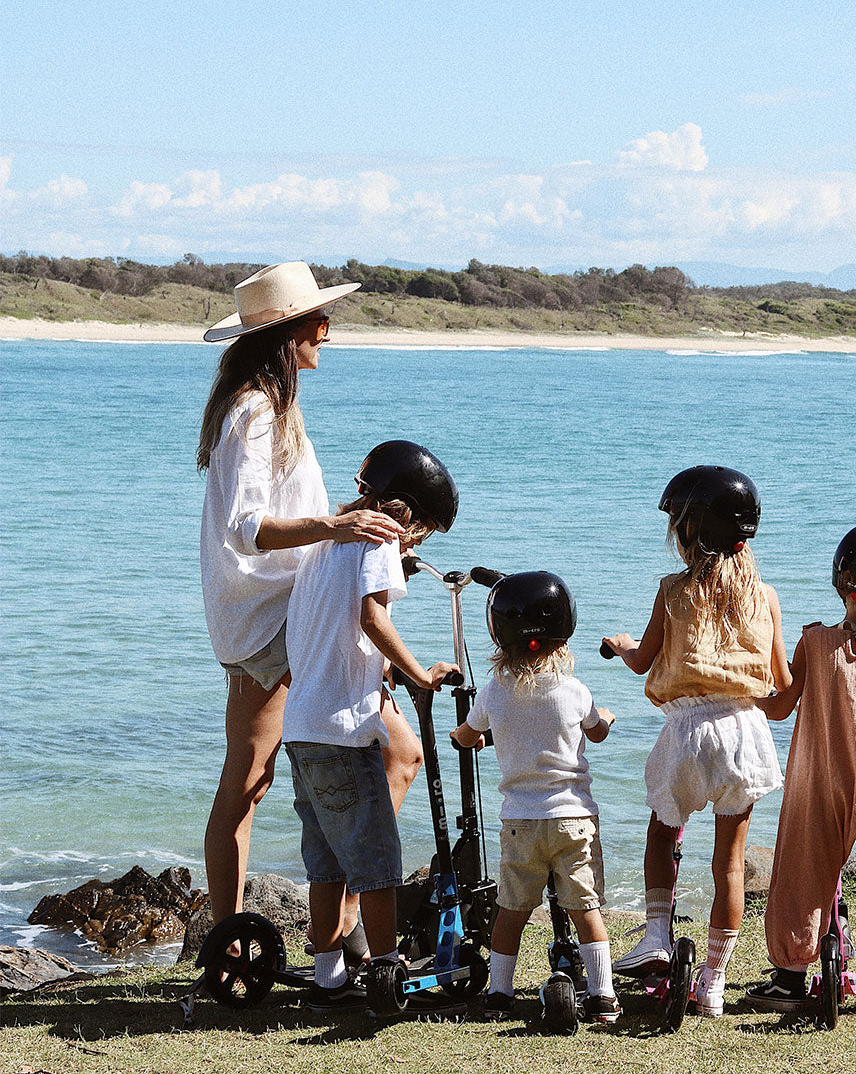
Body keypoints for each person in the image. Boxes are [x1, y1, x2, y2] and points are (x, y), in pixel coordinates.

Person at [198, 263, 422, 947]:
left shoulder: (274, 404)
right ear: (287, 334)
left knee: (398, 752)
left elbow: (289, 518)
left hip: (300, 607)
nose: (328, 330)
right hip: (268, 617)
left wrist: (350, 537)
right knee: (249, 780)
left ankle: (343, 921)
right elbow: (250, 529)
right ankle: (231, 942)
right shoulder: (255, 412)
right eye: (318, 321)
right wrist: (338, 528)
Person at [602, 466, 791, 1018]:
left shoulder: (673, 591)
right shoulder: (768, 598)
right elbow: (779, 699)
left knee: (663, 833)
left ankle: (657, 934)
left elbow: (643, 663)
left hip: (688, 730)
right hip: (745, 730)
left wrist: (620, 644)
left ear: (688, 533)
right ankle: (711, 980)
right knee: (729, 864)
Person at [282, 440, 461, 1009]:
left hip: (302, 725)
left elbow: (339, 630)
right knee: (379, 859)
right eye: (422, 530)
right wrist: (419, 677)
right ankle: (386, 967)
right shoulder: (380, 538)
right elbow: (371, 616)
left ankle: (328, 975)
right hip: (342, 729)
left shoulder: (326, 541)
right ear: (403, 512)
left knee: (326, 858)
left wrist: (383, 673)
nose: (415, 544)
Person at [747, 524, 856, 1015]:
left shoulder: (814, 640)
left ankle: (789, 979)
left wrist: (741, 693)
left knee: (802, 873)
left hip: (819, 782)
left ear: (840, 583)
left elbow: (781, 705)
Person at [450, 571, 620, 1023]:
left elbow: (468, 736)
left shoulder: (493, 693)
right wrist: (605, 716)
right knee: (585, 907)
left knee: (512, 910)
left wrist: (463, 735)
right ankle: (601, 993)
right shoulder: (575, 691)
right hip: (573, 818)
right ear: (562, 637)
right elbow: (597, 733)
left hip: (521, 821)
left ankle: (500, 993)